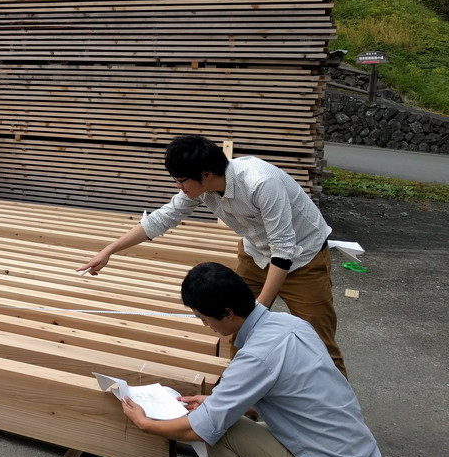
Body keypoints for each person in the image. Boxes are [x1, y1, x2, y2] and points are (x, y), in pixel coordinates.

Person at [77, 134, 346, 376]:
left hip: (303, 258)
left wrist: (259, 310)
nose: (178, 186)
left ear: (206, 174)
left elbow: (284, 250)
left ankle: (339, 421)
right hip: (256, 254)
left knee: (318, 342)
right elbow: (163, 218)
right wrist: (109, 250)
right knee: (237, 329)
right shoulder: (204, 187)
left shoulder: (261, 182)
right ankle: (242, 407)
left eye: (181, 180)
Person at [119, 262, 380, 457]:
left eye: (204, 318)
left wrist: (145, 424)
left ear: (228, 313)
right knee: (224, 419)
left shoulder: (256, 356)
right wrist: (217, 402)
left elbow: (198, 428)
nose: (206, 326)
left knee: (220, 431)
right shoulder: (291, 325)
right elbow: (289, 392)